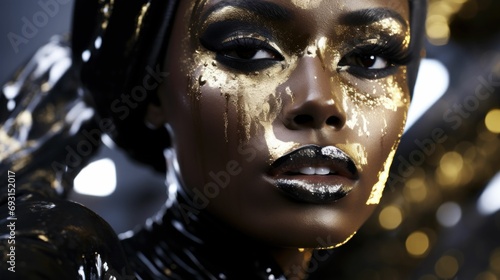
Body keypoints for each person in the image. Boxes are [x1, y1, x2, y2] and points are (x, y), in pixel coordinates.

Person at [0, 0, 427, 279]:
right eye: (247, 51)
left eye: (370, 58)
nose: (321, 100)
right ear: (152, 88)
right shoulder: (66, 263)